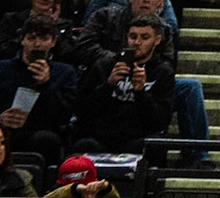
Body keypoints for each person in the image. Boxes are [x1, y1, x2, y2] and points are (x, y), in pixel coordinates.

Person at [70, 12, 173, 154]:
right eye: (133, 36)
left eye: (144, 37)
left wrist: (141, 92)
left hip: (137, 137)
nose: (137, 42)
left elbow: (159, 121)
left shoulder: (162, 72)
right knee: (84, 145)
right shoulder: (105, 65)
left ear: (157, 40)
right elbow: (82, 110)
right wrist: (108, 85)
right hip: (100, 136)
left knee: (153, 147)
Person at [0, 14, 77, 164]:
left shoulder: (65, 72)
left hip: (42, 132)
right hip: (5, 131)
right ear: (22, 40)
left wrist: (46, 85)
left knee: (48, 140)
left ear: (53, 41)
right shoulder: (2, 69)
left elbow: (64, 115)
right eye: (31, 38)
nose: (37, 44)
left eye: (43, 39)